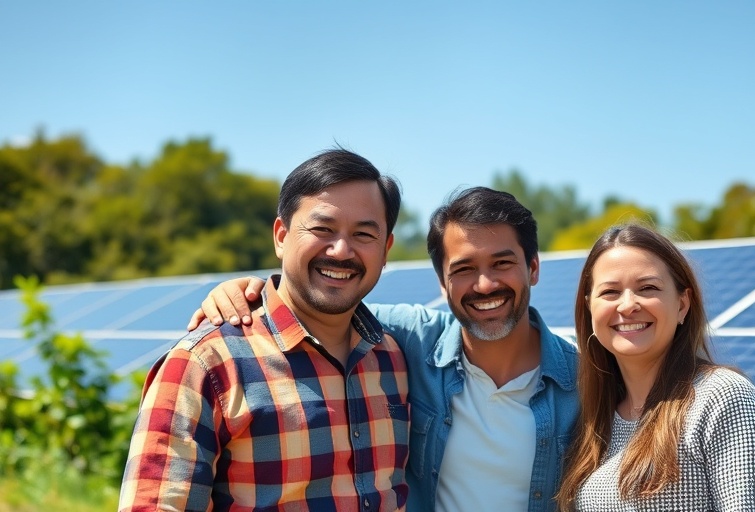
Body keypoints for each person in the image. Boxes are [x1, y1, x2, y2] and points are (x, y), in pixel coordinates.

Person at [189, 187, 579, 511]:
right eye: (463, 269)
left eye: (502, 263)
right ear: (442, 285)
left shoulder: (585, 378)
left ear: (533, 268)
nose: (484, 284)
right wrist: (251, 290)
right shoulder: (413, 340)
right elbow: (322, 301)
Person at [119, 149, 410, 511]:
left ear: (386, 250)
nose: (340, 250)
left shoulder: (395, 358)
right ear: (281, 236)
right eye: (322, 228)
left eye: (364, 234)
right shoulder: (207, 365)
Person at [556, 223, 755, 511]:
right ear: (589, 307)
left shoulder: (722, 398)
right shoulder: (592, 420)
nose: (627, 306)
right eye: (610, 292)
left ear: (682, 304)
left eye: (647, 288)